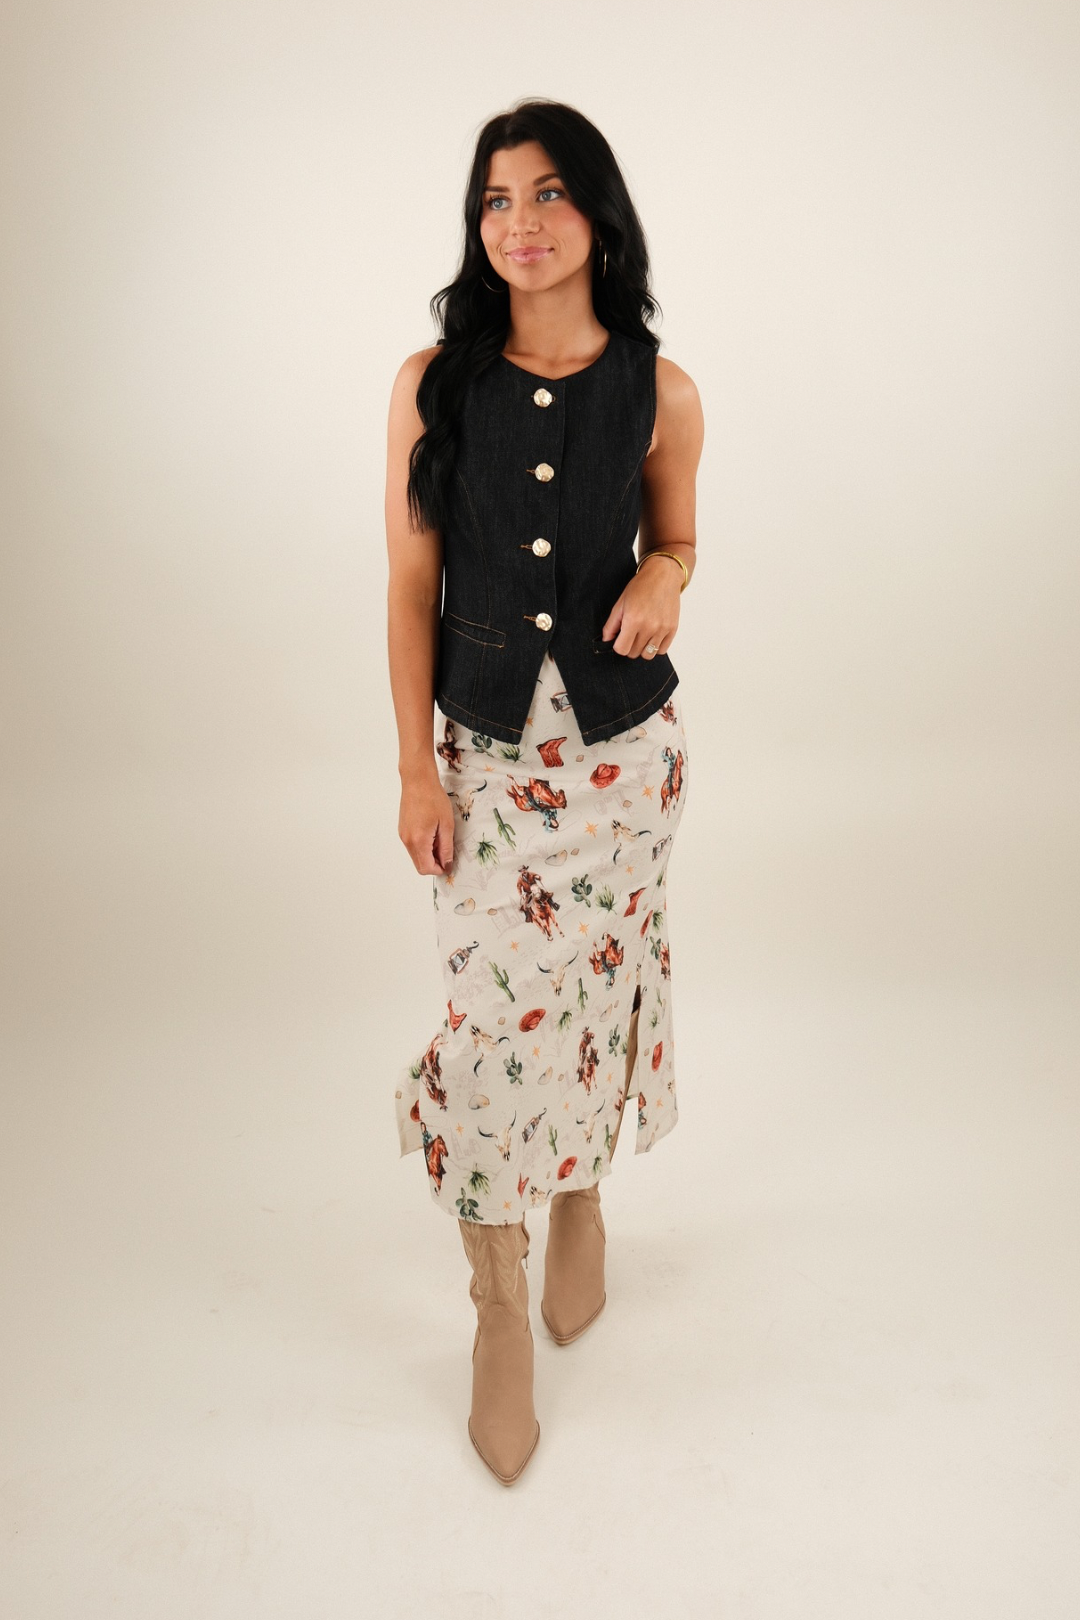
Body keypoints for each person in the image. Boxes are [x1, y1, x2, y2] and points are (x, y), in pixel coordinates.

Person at [385, 98, 703, 1485]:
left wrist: (662, 573)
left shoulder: (664, 387)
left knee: (595, 987)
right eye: (496, 198)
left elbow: (682, 541)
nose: (520, 221)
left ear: (599, 216)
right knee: (494, 1021)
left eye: (551, 193)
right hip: (488, 764)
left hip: (629, 765)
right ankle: (496, 1298)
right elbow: (409, 586)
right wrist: (412, 767)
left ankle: (582, 1189)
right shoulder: (431, 382)